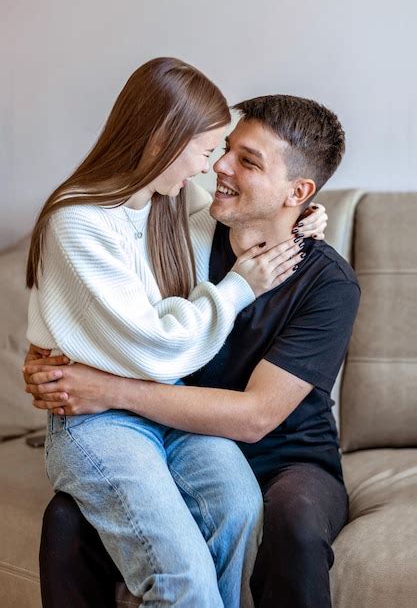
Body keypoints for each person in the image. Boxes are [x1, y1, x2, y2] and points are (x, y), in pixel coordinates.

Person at [24, 94, 351, 608]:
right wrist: (56, 346)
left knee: (294, 521)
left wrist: (109, 390)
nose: (219, 166)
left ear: (298, 192)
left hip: (286, 456)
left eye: (247, 161)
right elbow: (101, 298)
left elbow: (255, 418)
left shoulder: (328, 283)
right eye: (225, 149)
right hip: (175, 430)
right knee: (66, 517)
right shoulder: (189, 226)